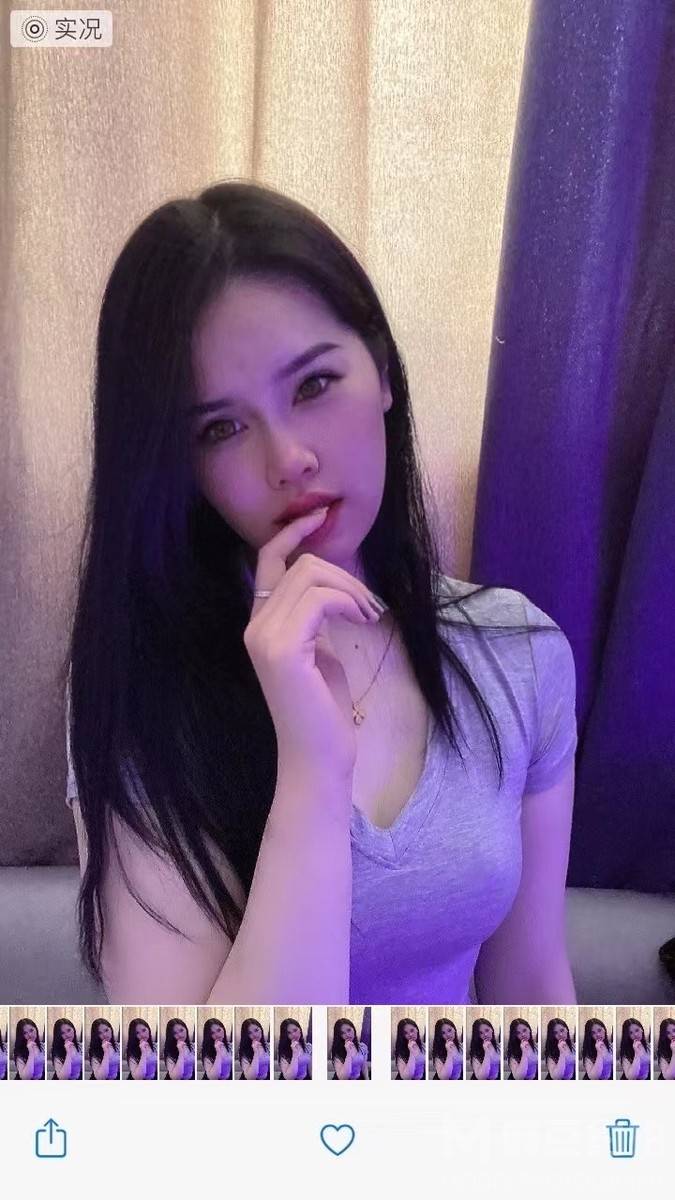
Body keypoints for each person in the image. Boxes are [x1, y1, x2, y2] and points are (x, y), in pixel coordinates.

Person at [63, 179, 578, 1004]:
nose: (288, 459)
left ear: (381, 370)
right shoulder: (143, 694)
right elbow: (195, 1080)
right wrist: (310, 771)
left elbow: (531, 979)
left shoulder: (516, 653)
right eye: (220, 428)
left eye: (312, 386)